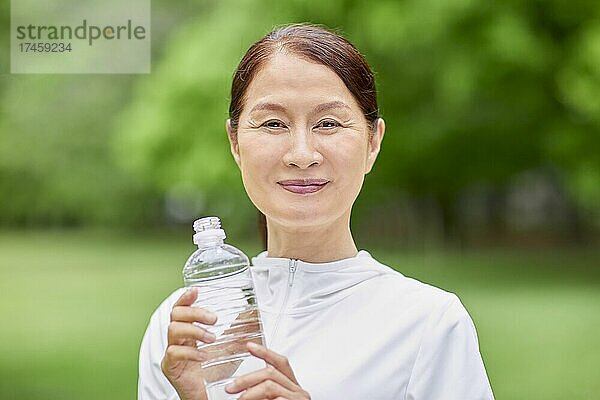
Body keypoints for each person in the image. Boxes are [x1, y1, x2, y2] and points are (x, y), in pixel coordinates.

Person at [138, 23, 495, 400]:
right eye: (273, 123)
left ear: (373, 142)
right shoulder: (182, 331)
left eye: (328, 123)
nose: (302, 155)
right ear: (235, 141)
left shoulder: (429, 323)